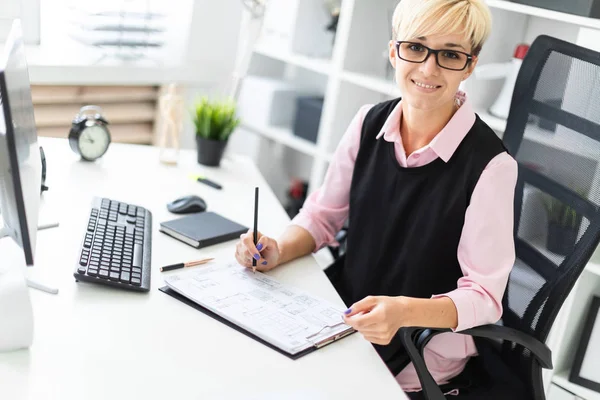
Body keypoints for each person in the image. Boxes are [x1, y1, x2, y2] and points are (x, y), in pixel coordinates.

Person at [234, 0, 517, 396]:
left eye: (450, 54)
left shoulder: (492, 166)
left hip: (423, 342)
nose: (428, 69)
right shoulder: (369, 122)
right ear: (393, 50)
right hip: (349, 307)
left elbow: (484, 297)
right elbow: (322, 217)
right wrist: (278, 248)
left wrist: (403, 312)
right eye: (416, 48)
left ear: (470, 64)